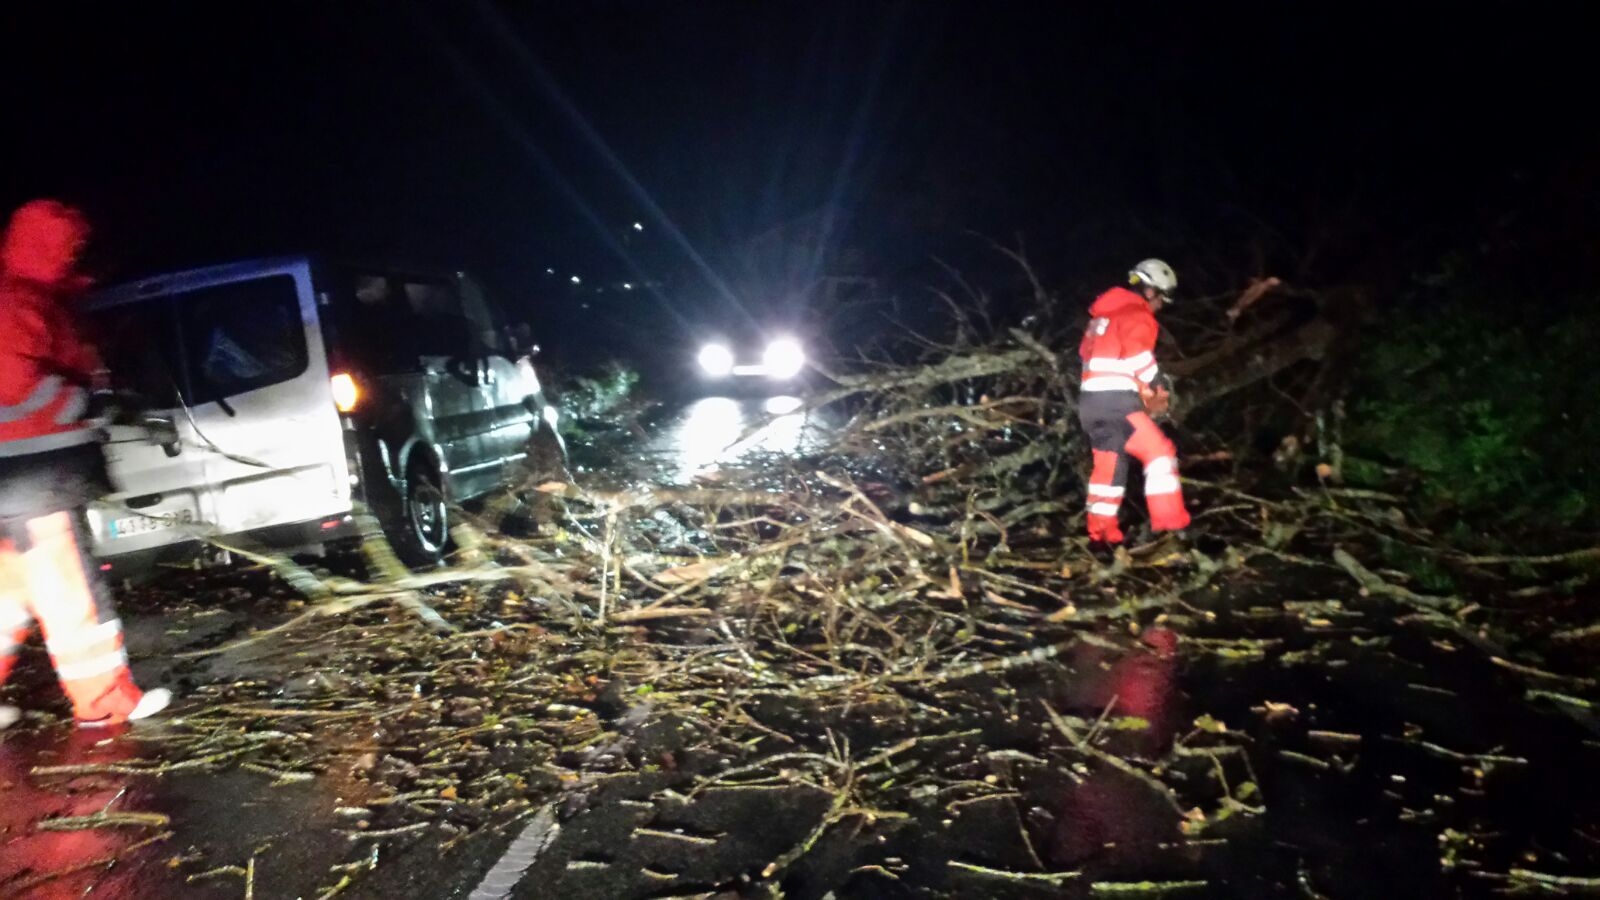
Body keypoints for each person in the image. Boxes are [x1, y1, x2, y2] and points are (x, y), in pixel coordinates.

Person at [0, 199, 170, 730]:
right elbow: (14, 386)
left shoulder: (32, 300)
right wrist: (87, 405)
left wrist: (98, 398)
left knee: (9, 594)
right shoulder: (18, 304)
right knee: (70, 590)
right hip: (34, 475)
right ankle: (106, 702)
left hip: (19, 478)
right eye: (71, 249)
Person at [1076, 258, 1192, 547]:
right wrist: (1157, 384)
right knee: (1160, 454)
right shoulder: (1137, 314)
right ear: (1151, 292)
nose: (1161, 306)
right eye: (1162, 298)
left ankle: (1101, 536)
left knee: (1109, 469)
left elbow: (1090, 355)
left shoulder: (1100, 318)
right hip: (1117, 404)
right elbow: (1138, 357)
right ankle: (1170, 527)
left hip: (1090, 405)